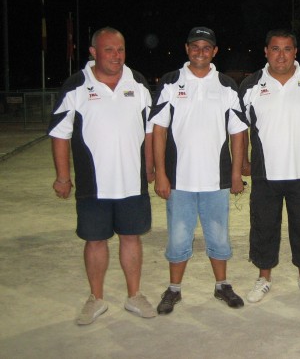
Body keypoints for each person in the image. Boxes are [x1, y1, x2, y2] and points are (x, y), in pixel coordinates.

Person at [48, 27, 156, 325]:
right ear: (94, 52)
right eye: (109, 50)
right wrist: (62, 177)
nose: (116, 56)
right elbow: (60, 133)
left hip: (132, 183)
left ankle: (134, 295)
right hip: (93, 184)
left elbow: (150, 129)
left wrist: (150, 166)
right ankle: (96, 299)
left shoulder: (138, 82)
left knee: (131, 238)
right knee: (95, 241)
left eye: (120, 50)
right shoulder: (76, 86)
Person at [149, 27, 246, 314]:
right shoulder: (171, 82)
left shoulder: (227, 85)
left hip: (216, 180)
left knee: (219, 236)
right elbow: (159, 130)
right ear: (187, 49)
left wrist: (236, 174)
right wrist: (160, 173)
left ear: (214, 51)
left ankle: (222, 285)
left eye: (206, 47)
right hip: (179, 180)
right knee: (179, 238)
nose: (200, 52)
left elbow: (238, 133)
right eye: (195, 46)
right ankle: (174, 289)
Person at [239, 29, 300, 302]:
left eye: (287, 49)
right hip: (264, 174)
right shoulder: (251, 85)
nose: (281, 55)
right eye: (275, 49)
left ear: (295, 52)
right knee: (263, 226)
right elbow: (240, 128)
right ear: (266, 51)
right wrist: (243, 160)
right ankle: (263, 277)